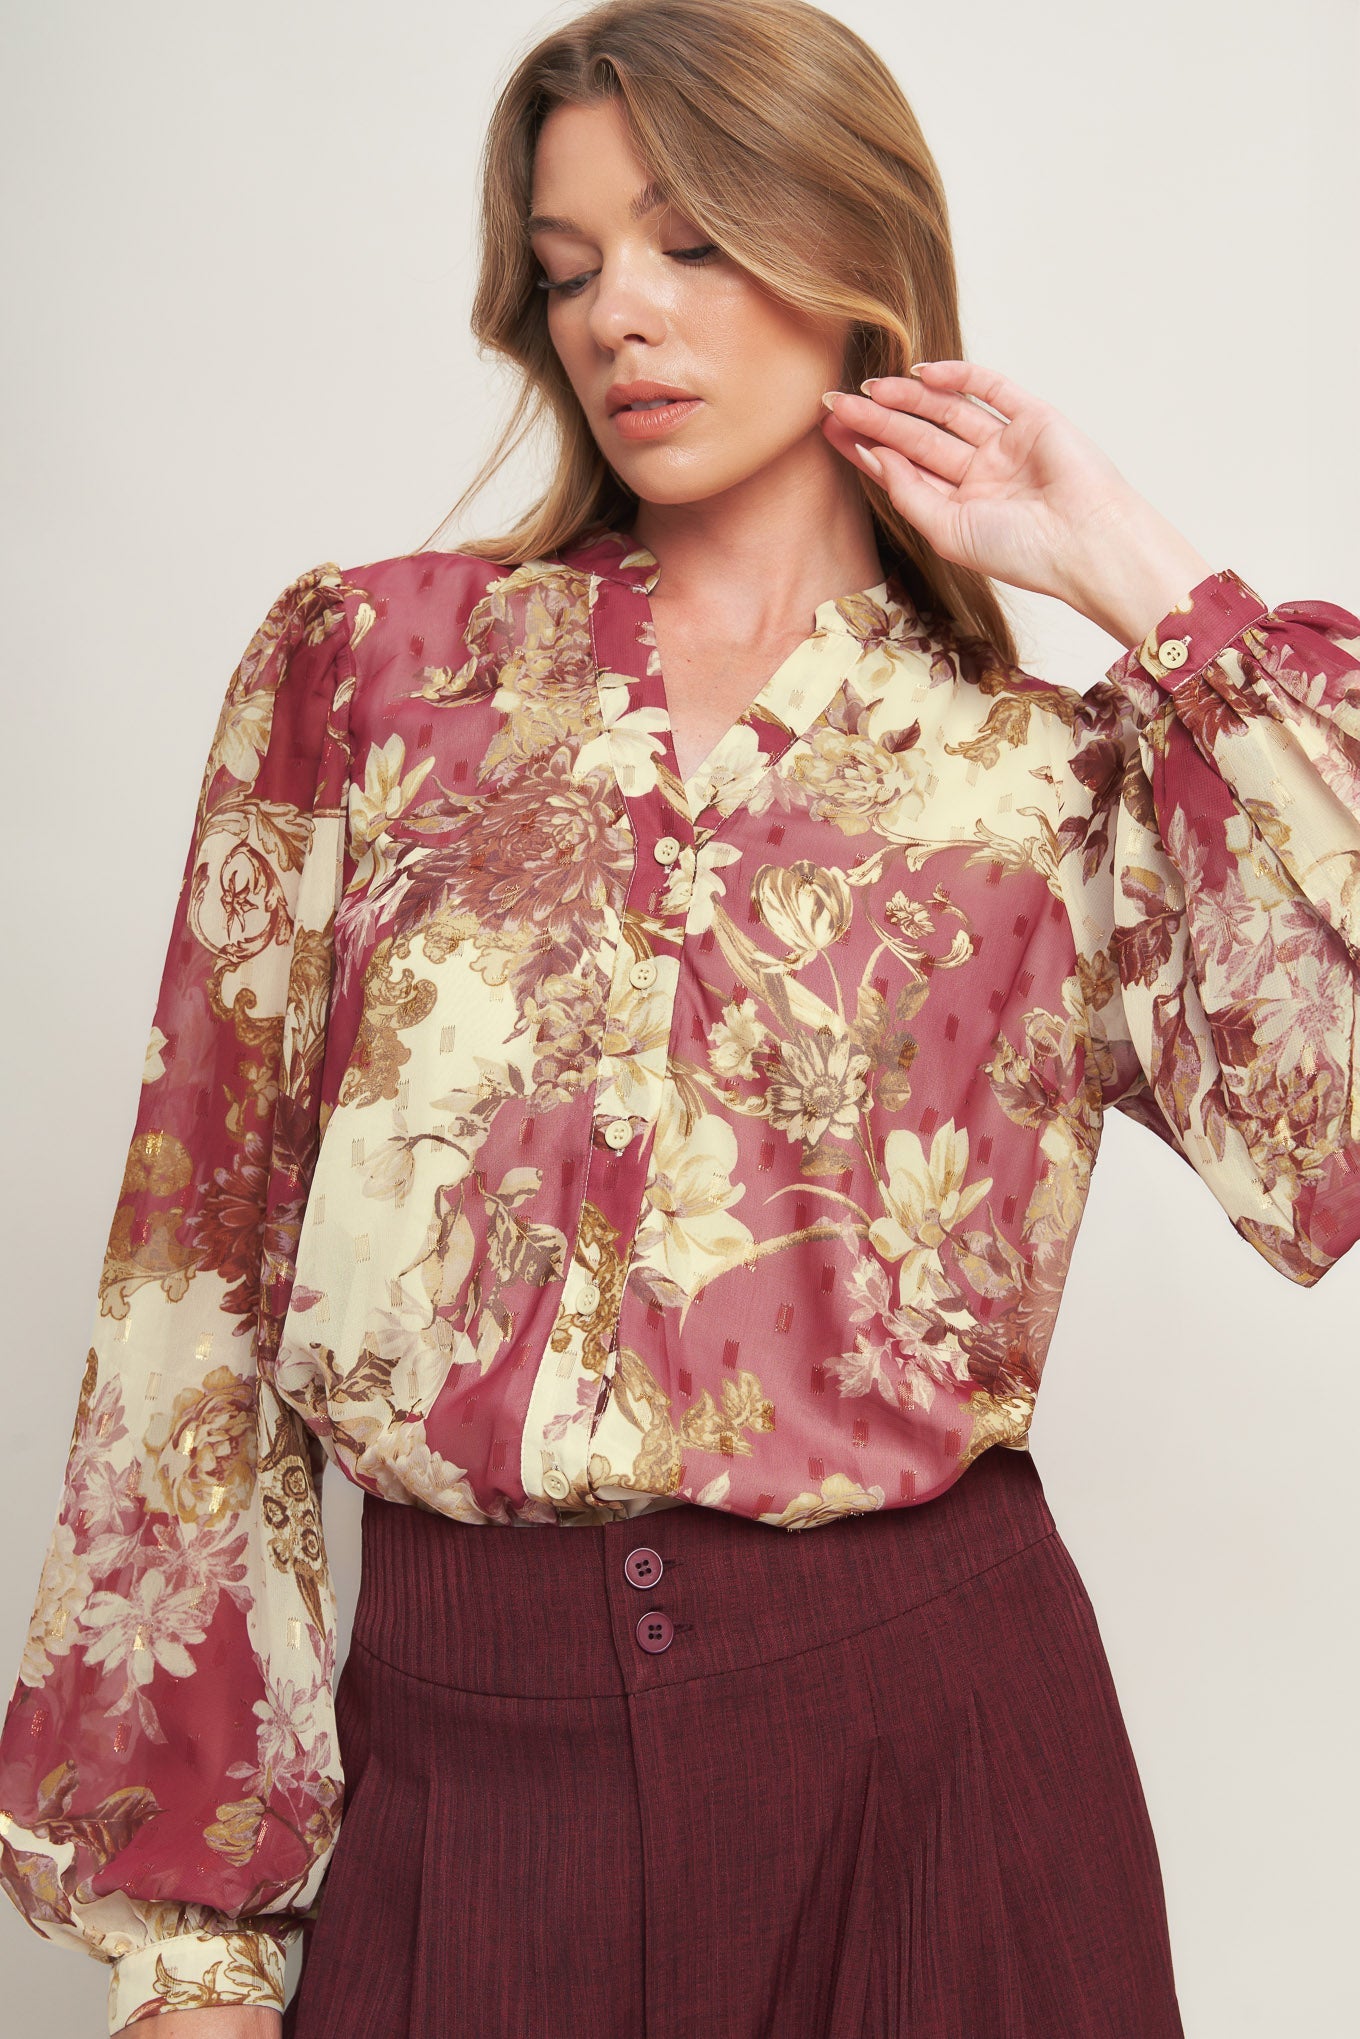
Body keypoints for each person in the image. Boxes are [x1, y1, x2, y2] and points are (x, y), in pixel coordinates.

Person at [3, 1, 1357, 2033]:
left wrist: (1131, 573)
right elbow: (193, 1282)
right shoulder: (371, 677)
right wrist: (194, 1943)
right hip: (467, 1779)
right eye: (568, 271)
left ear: (855, 260)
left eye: (692, 241)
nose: (620, 315)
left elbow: (1325, 1109)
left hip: (941, 1761)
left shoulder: (1051, 782)